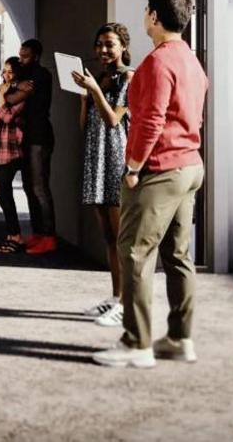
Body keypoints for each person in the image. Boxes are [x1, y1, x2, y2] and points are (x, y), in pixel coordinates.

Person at [93, 0, 208, 369]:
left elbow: (151, 120)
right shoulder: (191, 60)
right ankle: (179, 338)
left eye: (146, 11)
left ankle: (137, 343)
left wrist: (133, 167)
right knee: (177, 256)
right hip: (190, 165)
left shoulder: (158, 62)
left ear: (154, 17)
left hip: (161, 168)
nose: (144, 16)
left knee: (135, 253)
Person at [72, 23, 134, 327]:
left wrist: (94, 90)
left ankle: (127, 303)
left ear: (123, 46)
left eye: (110, 44)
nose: (103, 50)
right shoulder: (98, 79)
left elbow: (113, 121)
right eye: (99, 44)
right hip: (95, 159)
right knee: (108, 237)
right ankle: (114, 296)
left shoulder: (128, 78)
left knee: (122, 237)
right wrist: (85, 97)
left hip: (116, 160)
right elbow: (86, 126)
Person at [2, 38, 58, 255]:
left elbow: (11, 99)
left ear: (35, 56)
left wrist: (14, 89)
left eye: (25, 56)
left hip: (39, 137)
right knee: (28, 187)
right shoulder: (24, 76)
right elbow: (7, 93)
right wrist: (14, 86)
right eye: (20, 54)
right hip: (27, 138)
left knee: (39, 188)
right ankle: (38, 234)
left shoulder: (41, 75)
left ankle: (49, 237)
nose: (21, 59)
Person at [0, 57, 29, 253]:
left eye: (10, 72)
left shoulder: (22, 92)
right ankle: (13, 234)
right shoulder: (3, 91)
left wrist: (2, 96)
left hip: (10, 149)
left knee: (2, 190)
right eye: (4, 71)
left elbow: (7, 116)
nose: (6, 75)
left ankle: (15, 236)